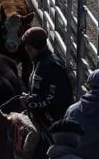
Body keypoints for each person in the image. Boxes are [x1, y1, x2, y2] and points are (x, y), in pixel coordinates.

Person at [20, 27, 73, 159]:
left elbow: (52, 98)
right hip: (42, 118)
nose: (26, 50)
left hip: (51, 123)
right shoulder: (40, 62)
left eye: (27, 46)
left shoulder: (51, 66)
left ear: (31, 47)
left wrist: (30, 101)